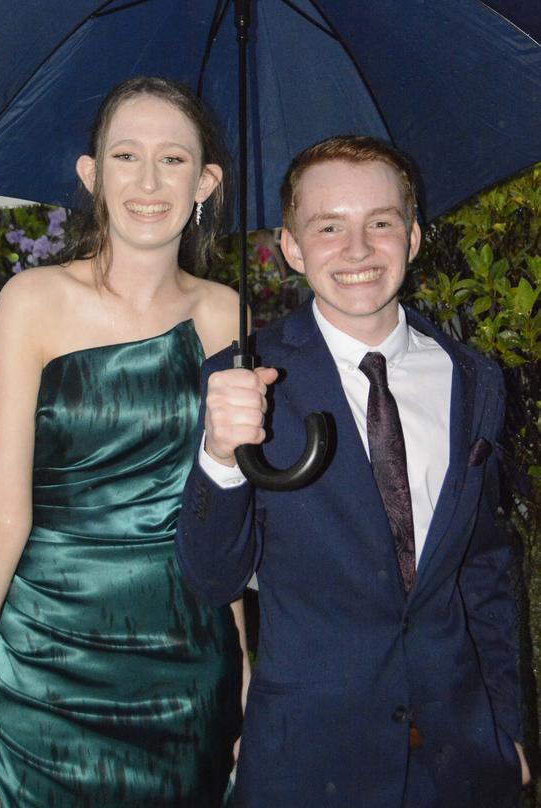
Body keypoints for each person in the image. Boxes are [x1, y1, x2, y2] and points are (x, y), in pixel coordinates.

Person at [0, 77, 247, 807]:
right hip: (52, 667)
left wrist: (246, 665)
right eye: (126, 155)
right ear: (92, 175)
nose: (149, 181)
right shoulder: (33, 303)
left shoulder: (225, 313)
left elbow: (222, 511)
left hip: (190, 665)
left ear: (206, 182)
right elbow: (0, 514)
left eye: (174, 160)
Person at [176, 136, 530, 808]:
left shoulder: (472, 378)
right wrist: (220, 459)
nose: (359, 250)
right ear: (291, 248)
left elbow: (485, 570)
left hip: (461, 759)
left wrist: (507, 726)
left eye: (381, 223)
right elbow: (211, 577)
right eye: (329, 227)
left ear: (415, 237)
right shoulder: (243, 382)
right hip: (309, 763)